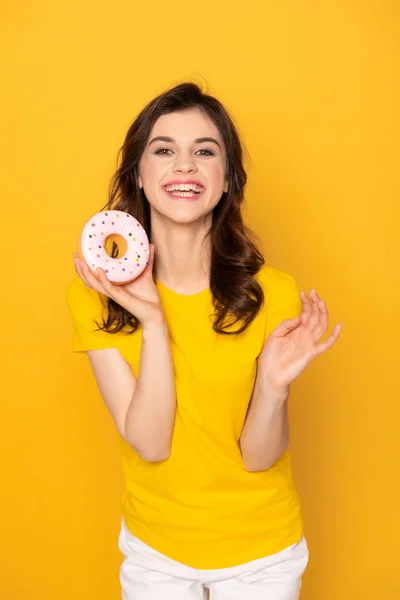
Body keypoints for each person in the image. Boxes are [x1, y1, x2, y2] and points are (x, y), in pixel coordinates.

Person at [67, 81, 342, 600]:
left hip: (262, 555)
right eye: (164, 150)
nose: (185, 166)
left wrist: (275, 386)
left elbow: (260, 457)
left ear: (227, 180)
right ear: (140, 177)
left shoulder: (272, 294)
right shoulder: (95, 295)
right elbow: (149, 443)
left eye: (205, 152)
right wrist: (151, 322)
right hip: (156, 554)